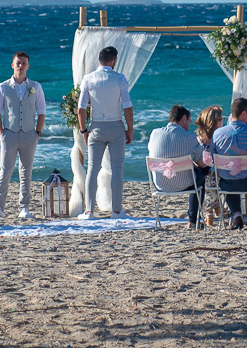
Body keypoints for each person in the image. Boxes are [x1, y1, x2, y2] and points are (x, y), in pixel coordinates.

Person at [76, 46, 133, 218]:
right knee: (117, 169)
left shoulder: (88, 78)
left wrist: (84, 130)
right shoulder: (120, 79)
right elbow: (127, 107)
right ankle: (116, 211)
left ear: (99, 60)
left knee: (92, 169)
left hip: (96, 127)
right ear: (113, 60)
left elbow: (81, 109)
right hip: (116, 126)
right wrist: (130, 130)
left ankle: (89, 211)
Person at [0, 51, 46, 219]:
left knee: (26, 172)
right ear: (12, 65)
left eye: (23, 63)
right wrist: (1, 133)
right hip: (10, 134)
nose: (21, 66)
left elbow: (41, 111)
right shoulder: (3, 87)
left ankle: (24, 207)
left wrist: (37, 133)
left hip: (29, 135)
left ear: (28, 66)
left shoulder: (36, 86)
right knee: (5, 171)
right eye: (18, 63)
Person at [147, 105, 207, 230]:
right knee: (201, 174)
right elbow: (201, 164)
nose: (189, 125)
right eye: (189, 121)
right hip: (184, 184)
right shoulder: (190, 137)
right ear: (184, 118)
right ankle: (192, 220)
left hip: (160, 184)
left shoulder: (154, 134)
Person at [211, 97, 247, 229]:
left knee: (229, 176)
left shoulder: (218, 134)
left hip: (227, 184)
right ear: (243, 114)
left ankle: (236, 216)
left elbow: (214, 159)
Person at [194, 104, 224, 227]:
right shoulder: (220, 140)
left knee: (205, 177)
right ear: (216, 123)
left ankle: (209, 211)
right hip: (220, 180)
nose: (223, 121)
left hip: (201, 180)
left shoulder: (196, 141)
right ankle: (216, 207)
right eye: (222, 119)